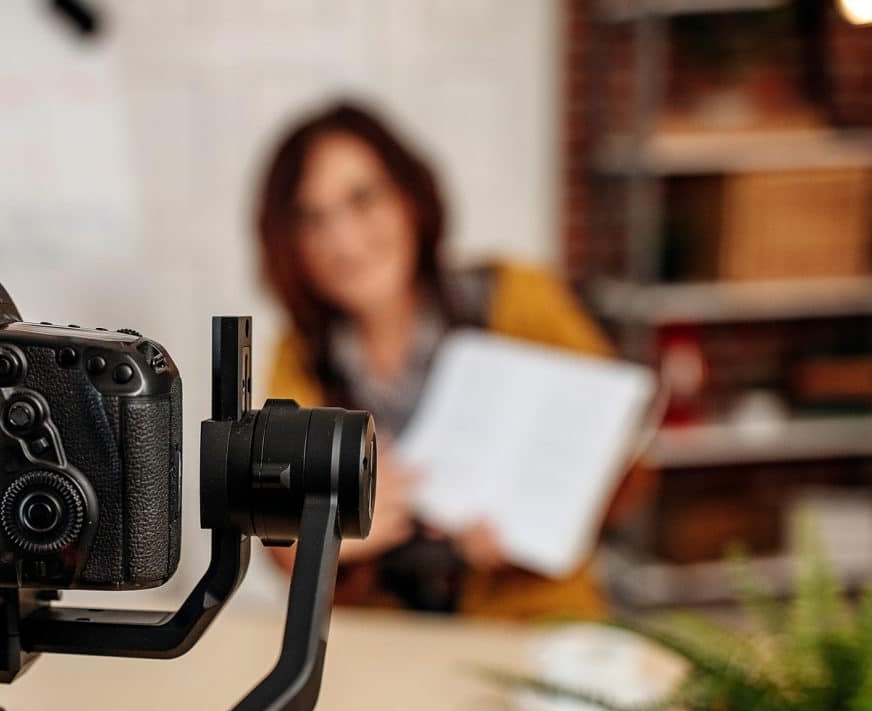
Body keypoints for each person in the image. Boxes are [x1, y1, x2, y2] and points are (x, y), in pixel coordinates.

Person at [256, 100, 628, 620]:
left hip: (532, 628)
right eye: (311, 219)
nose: (343, 241)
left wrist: (530, 531)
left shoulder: (515, 297)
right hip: (388, 643)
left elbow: (628, 453)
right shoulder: (298, 355)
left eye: (363, 200)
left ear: (410, 195)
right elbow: (281, 544)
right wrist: (335, 531)